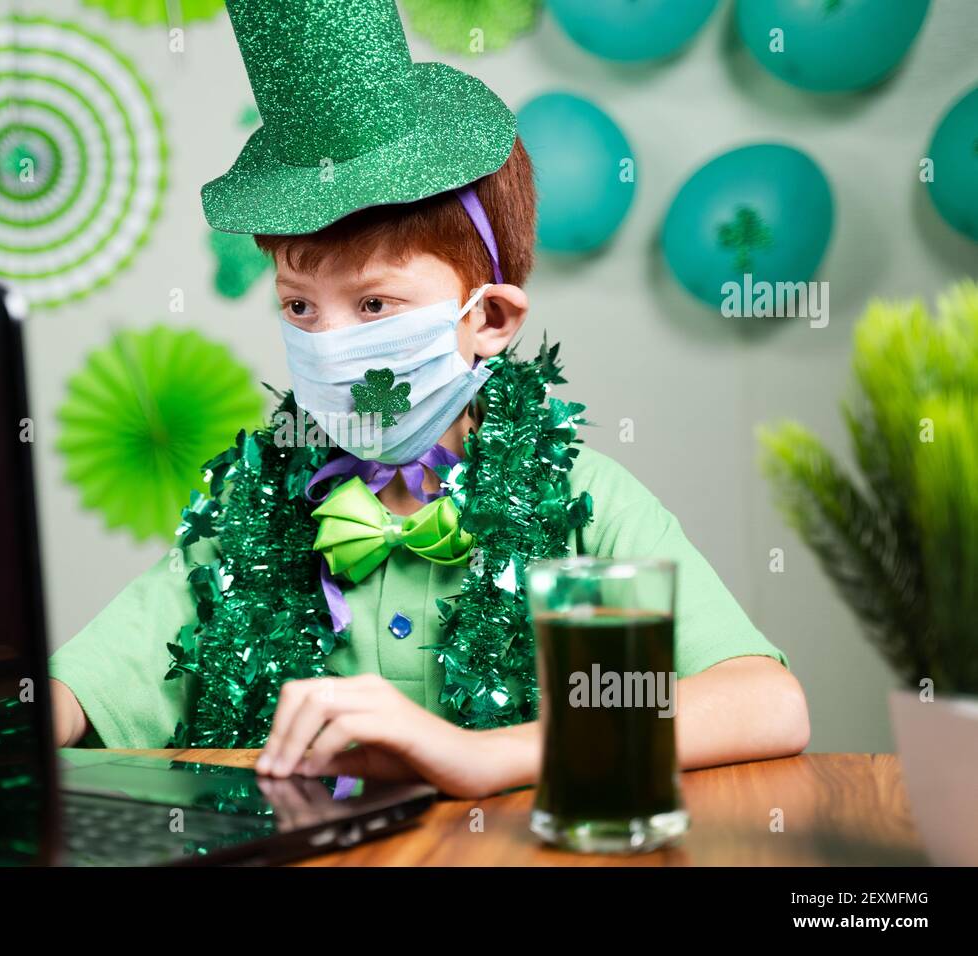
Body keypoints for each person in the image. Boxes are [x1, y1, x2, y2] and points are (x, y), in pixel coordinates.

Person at [48, 0, 809, 799]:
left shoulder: (582, 505)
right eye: (300, 306)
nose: (329, 342)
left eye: (374, 305)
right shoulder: (249, 514)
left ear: (488, 319)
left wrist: (488, 755)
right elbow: (80, 687)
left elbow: (766, 702)